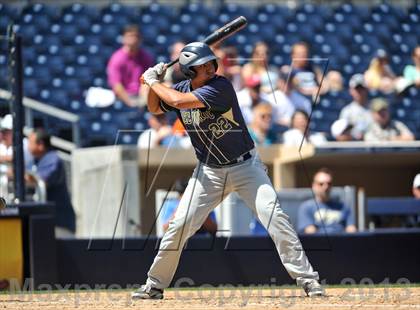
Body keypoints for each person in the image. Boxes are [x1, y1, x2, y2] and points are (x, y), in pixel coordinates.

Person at [132, 42, 325, 299]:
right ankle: (154, 284)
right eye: (203, 66)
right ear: (190, 71)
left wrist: (152, 81)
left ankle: (308, 280)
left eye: (212, 63)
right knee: (179, 225)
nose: (211, 68)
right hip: (208, 172)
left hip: (245, 166)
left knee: (275, 216)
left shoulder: (219, 87)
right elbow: (155, 107)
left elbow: (177, 101)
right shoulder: (178, 87)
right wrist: (152, 82)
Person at [26, 129, 76, 237]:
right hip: (44, 222)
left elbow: (40, 179)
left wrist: (17, 174)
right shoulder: (34, 161)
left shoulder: (53, 159)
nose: (27, 145)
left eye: (30, 142)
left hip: (60, 224)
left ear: (41, 145)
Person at [298, 168, 357, 234]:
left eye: (329, 184)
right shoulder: (306, 207)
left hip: (342, 242)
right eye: (321, 184)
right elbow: (310, 233)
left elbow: (351, 230)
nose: (326, 187)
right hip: (319, 243)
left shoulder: (343, 206)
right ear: (313, 186)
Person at [107, 25, 154, 107]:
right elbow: (116, 85)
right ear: (123, 39)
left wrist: (143, 99)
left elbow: (148, 79)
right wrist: (130, 103)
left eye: (136, 36)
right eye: (130, 36)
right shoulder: (117, 58)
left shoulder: (145, 57)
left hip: (141, 96)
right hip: (123, 98)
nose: (133, 39)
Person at [338, 74, 373, 140]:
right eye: (357, 89)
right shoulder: (347, 111)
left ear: (366, 90)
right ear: (351, 91)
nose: (359, 92)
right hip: (353, 146)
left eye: (361, 89)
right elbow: (342, 133)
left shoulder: (375, 108)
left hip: (374, 144)